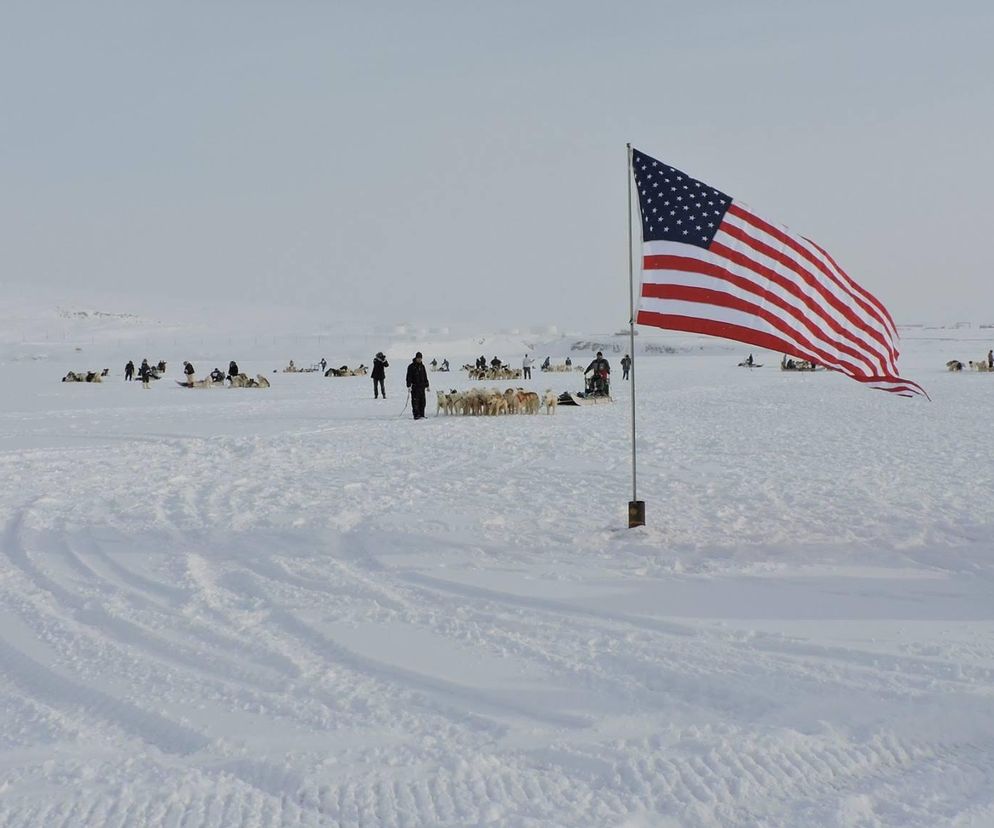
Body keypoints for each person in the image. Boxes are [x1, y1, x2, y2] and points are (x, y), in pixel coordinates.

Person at [406, 352, 429, 419]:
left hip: (422, 387)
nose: (419, 359)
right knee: (415, 402)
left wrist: (427, 385)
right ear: (416, 358)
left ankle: (422, 414)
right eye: (418, 358)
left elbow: (425, 376)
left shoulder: (422, 366)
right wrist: (409, 385)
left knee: (423, 402)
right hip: (415, 387)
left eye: (420, 358)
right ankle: (416, 415)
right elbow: (408, 377)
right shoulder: (411, 367)